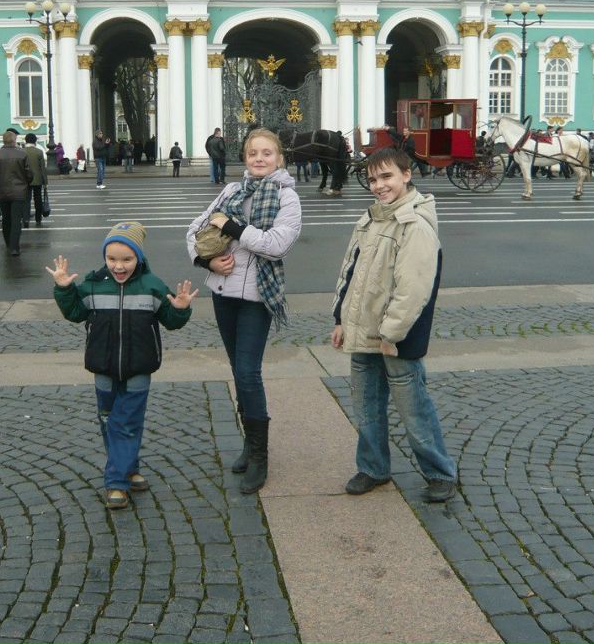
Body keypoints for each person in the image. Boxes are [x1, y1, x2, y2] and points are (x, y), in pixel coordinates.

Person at [330, 146, 458, 503]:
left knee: (413, 408)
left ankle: (439, 472)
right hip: (362, 331)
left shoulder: (414, 225)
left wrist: (391, 335)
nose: (378, 185)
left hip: (394, 338)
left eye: (386, 176)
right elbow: (350, 273)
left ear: (406, 175)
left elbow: (412, 290)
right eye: (372, 179)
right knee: (367, 407)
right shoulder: (371, 218)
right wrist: (340, 319)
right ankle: (373, 467)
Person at [186, 128, 303, 494]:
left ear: (279, 158)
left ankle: (260, 455)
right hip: (223, 292)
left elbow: (275, 245)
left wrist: (234, 226)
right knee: (238, 371)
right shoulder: (232, 190)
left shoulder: (287, 197)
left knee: (248, 372)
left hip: (257, 296)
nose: (259, 159)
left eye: (267, 153)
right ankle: (248, 447)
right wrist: (207, 263)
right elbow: (196, 229)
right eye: (253, 153)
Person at [49, 222, 197, 510]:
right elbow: (75, 313)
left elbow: (170, 321)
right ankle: (129, 468)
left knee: (125, 422)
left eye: (127, 259)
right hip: (102, 368)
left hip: (139, 368)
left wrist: (180, 308)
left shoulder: (152, 286)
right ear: (104, 257)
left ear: (139, 258)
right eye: (112, 258)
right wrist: (64, 289)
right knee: (109, 421)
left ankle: (116, 483)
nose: (119, 266)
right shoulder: (93, 284)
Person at [0, 129, 32, 256]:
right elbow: (29, 173)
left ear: (3, 140)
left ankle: (8, 244)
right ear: (14, 140)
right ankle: (15, 247)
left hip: (2, 192)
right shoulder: (22, 154)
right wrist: (26, 184)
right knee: (16, 220)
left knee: (6, 220)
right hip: (19, 192)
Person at [22, 132, 48, 228]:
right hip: (37, 180)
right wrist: (45, 182)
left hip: (25, 180)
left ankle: (26, 219)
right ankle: (38, 218)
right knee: (38, 199)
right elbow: (42, 168)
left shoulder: (21, 151)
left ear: (26, 140)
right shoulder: (39, 152)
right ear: (35, 141)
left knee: (26, 200)